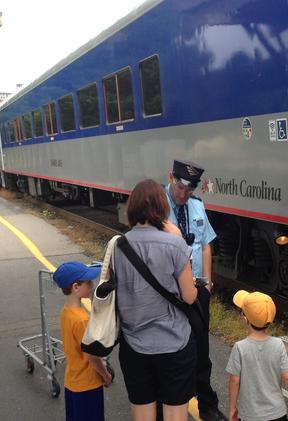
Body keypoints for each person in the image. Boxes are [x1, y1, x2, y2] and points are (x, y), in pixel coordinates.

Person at [115, 179, 199, 421]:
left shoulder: (119, 246)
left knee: (142, 414)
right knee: (174, 413)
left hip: (134, 345)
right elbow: (189, 296)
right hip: (174, 343)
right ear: (162, 208)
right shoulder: (175, 244)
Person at [165, 159, 224, 421]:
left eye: (189, 190)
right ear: (171, 178)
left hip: (198, 288)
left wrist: (208, 284)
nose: (183, 194)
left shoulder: (197, 206)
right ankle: (170, 401)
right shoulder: (157, 207)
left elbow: (206, 245)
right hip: (169, 291)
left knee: (201, 349)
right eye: (179, 188)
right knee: (172, 349)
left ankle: (207, 406)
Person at [226, 290, 288, 421]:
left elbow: (234, 381)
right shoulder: (278, 344)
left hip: (250, 415)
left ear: (245, 319)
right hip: (277, 414)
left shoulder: (240, 347)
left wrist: (232, 408)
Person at [53, 261, 114, 421]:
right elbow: (92, 356)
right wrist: (105, 375)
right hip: (88, 384)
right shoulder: (82, 320)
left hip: (72, 381)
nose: (92, 284)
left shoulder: (66, 312)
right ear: (76, 287)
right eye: (88, 282)